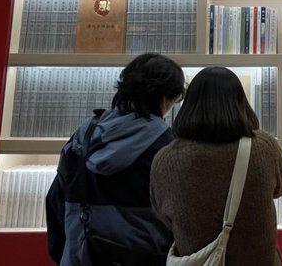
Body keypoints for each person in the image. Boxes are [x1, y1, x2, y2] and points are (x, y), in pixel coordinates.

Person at [46, 53, 186, 266]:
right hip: (145, 255)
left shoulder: (85, 133)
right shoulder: (167, 145)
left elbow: (56, 198)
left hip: (82, 253)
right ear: (165, 99)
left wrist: (67, 250)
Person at [150, 67, 282, 266]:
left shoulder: (165, 159)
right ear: (241, 102)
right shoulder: (263, 146)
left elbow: (162, 214)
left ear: (189, 104)